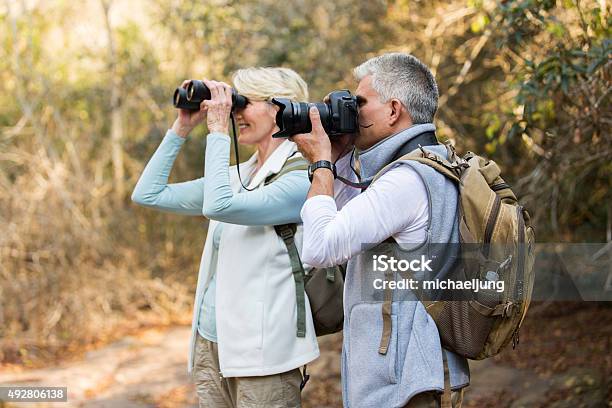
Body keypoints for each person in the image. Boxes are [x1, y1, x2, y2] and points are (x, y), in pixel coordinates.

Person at [131, 67, 319, 408]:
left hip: (264, 355)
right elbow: (148, 194)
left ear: (281, 108)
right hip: (212, 343)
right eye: (234, 102)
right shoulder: (238, 175)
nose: (235, 112)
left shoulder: (302, 176)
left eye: (244, 102)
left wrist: (217, 131)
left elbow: (219, 206)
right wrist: (182, 127)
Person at [291, 52, 470, 407]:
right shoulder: (421, 166)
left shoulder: (405, 181)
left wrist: (322, 164)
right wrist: (340, 157)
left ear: (393, 110)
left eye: (360, 103)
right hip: (405, 372)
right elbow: (339, 223)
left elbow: (319, 247)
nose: (351, 113)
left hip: (405, 381)